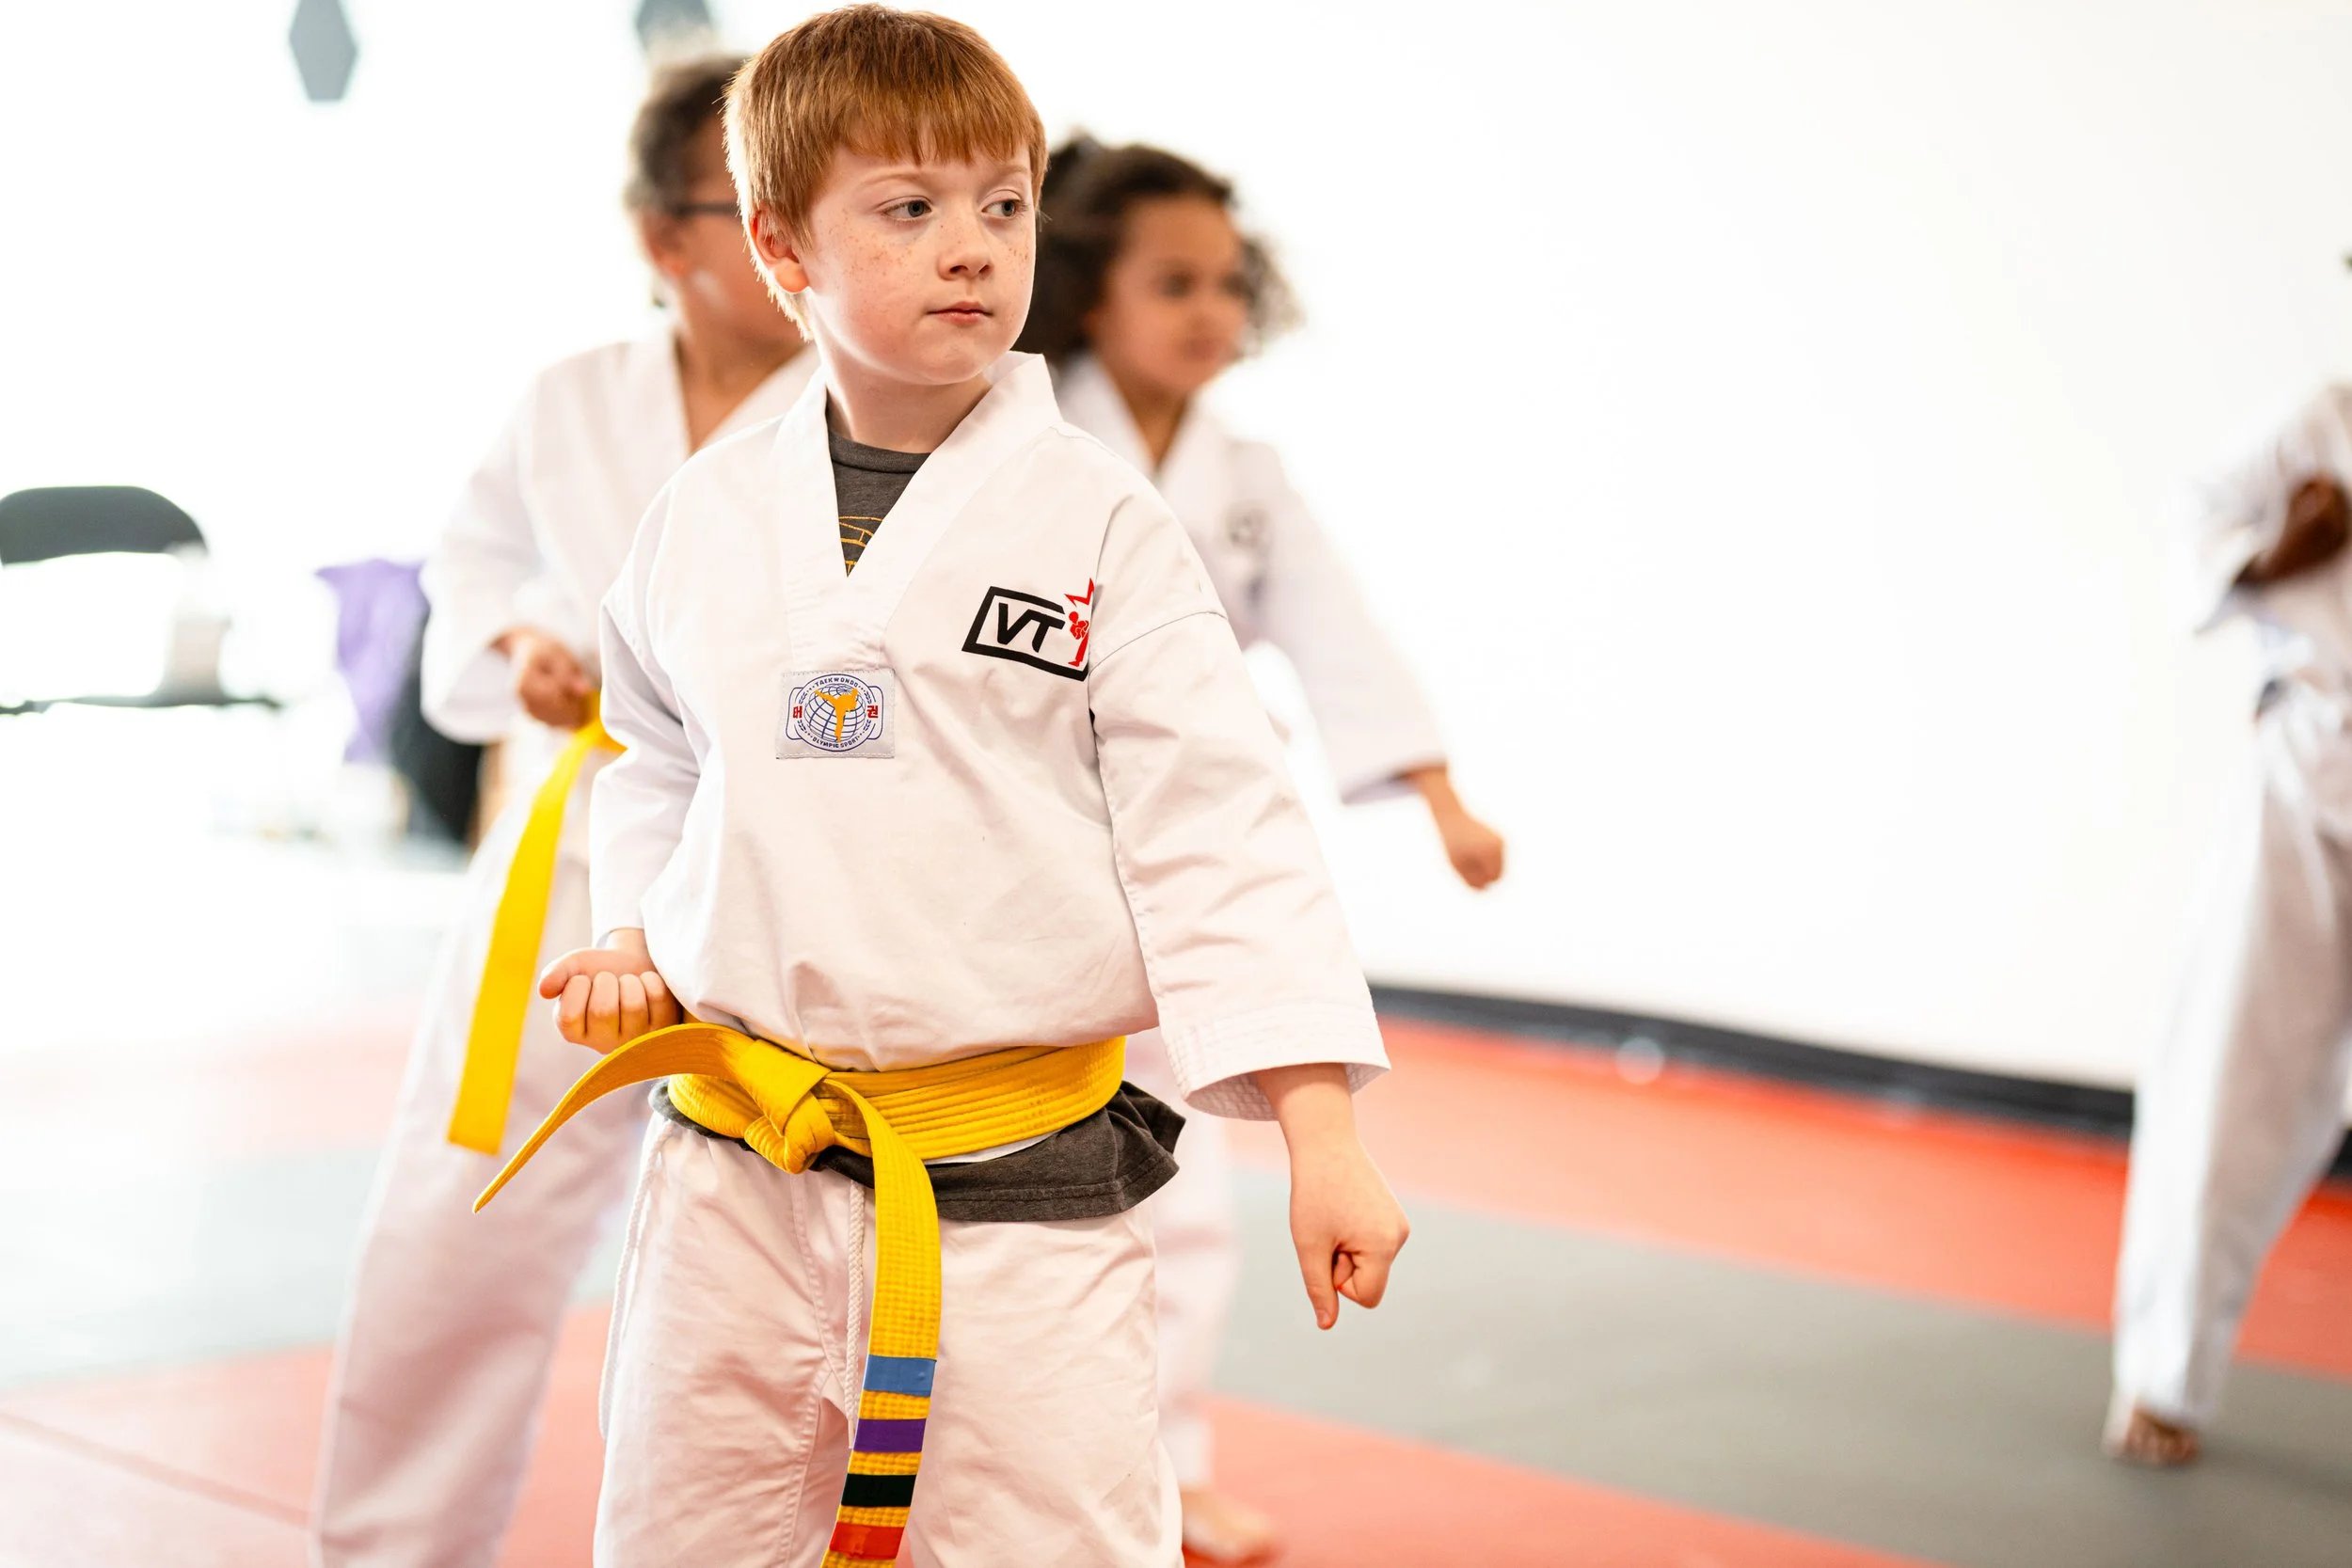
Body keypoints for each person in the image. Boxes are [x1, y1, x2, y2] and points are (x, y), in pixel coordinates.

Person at [495, 8, 1411, 1564]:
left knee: (1041, 1539)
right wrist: (640, 935)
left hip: (1018, 1186)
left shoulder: (1102, 528)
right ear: (784, 245)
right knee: (689, 1528)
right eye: (909, 210)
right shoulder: (706, 516)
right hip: (739, 1166)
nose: (973, 249)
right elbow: (655, 749)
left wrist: (1321, 1126)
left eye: (1003, 205)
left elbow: (1221, 825)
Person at [310, 57, 815, 1567]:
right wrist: (514, 642)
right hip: (577, 861)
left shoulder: (884, 404)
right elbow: (471, 567)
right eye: (759, 210)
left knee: (790, 1283)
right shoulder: (571, 398)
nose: (798, 243)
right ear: (668, 237)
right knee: (447, 1232)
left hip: (795, 886)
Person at [1017, 135, 1504, 1561]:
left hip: (1190, 854)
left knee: (1187, 1178)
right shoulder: (1016, 433)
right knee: (1011, 1187)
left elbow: (1336, 628)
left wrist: (1439, 791)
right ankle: (1008, 1467)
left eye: (1231, 284)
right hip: (1032, 844)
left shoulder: (1248, 470)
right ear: (1089, 290)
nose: (1210, 311)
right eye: (1174, 281)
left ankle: (1170, 1465)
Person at [2109, 386, 2352, 1467]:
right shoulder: (2324, 421)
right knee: (2227, 1071)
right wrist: (2270, 554)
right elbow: (2193, 509)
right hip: (2309, 760)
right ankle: (2165, 1373)